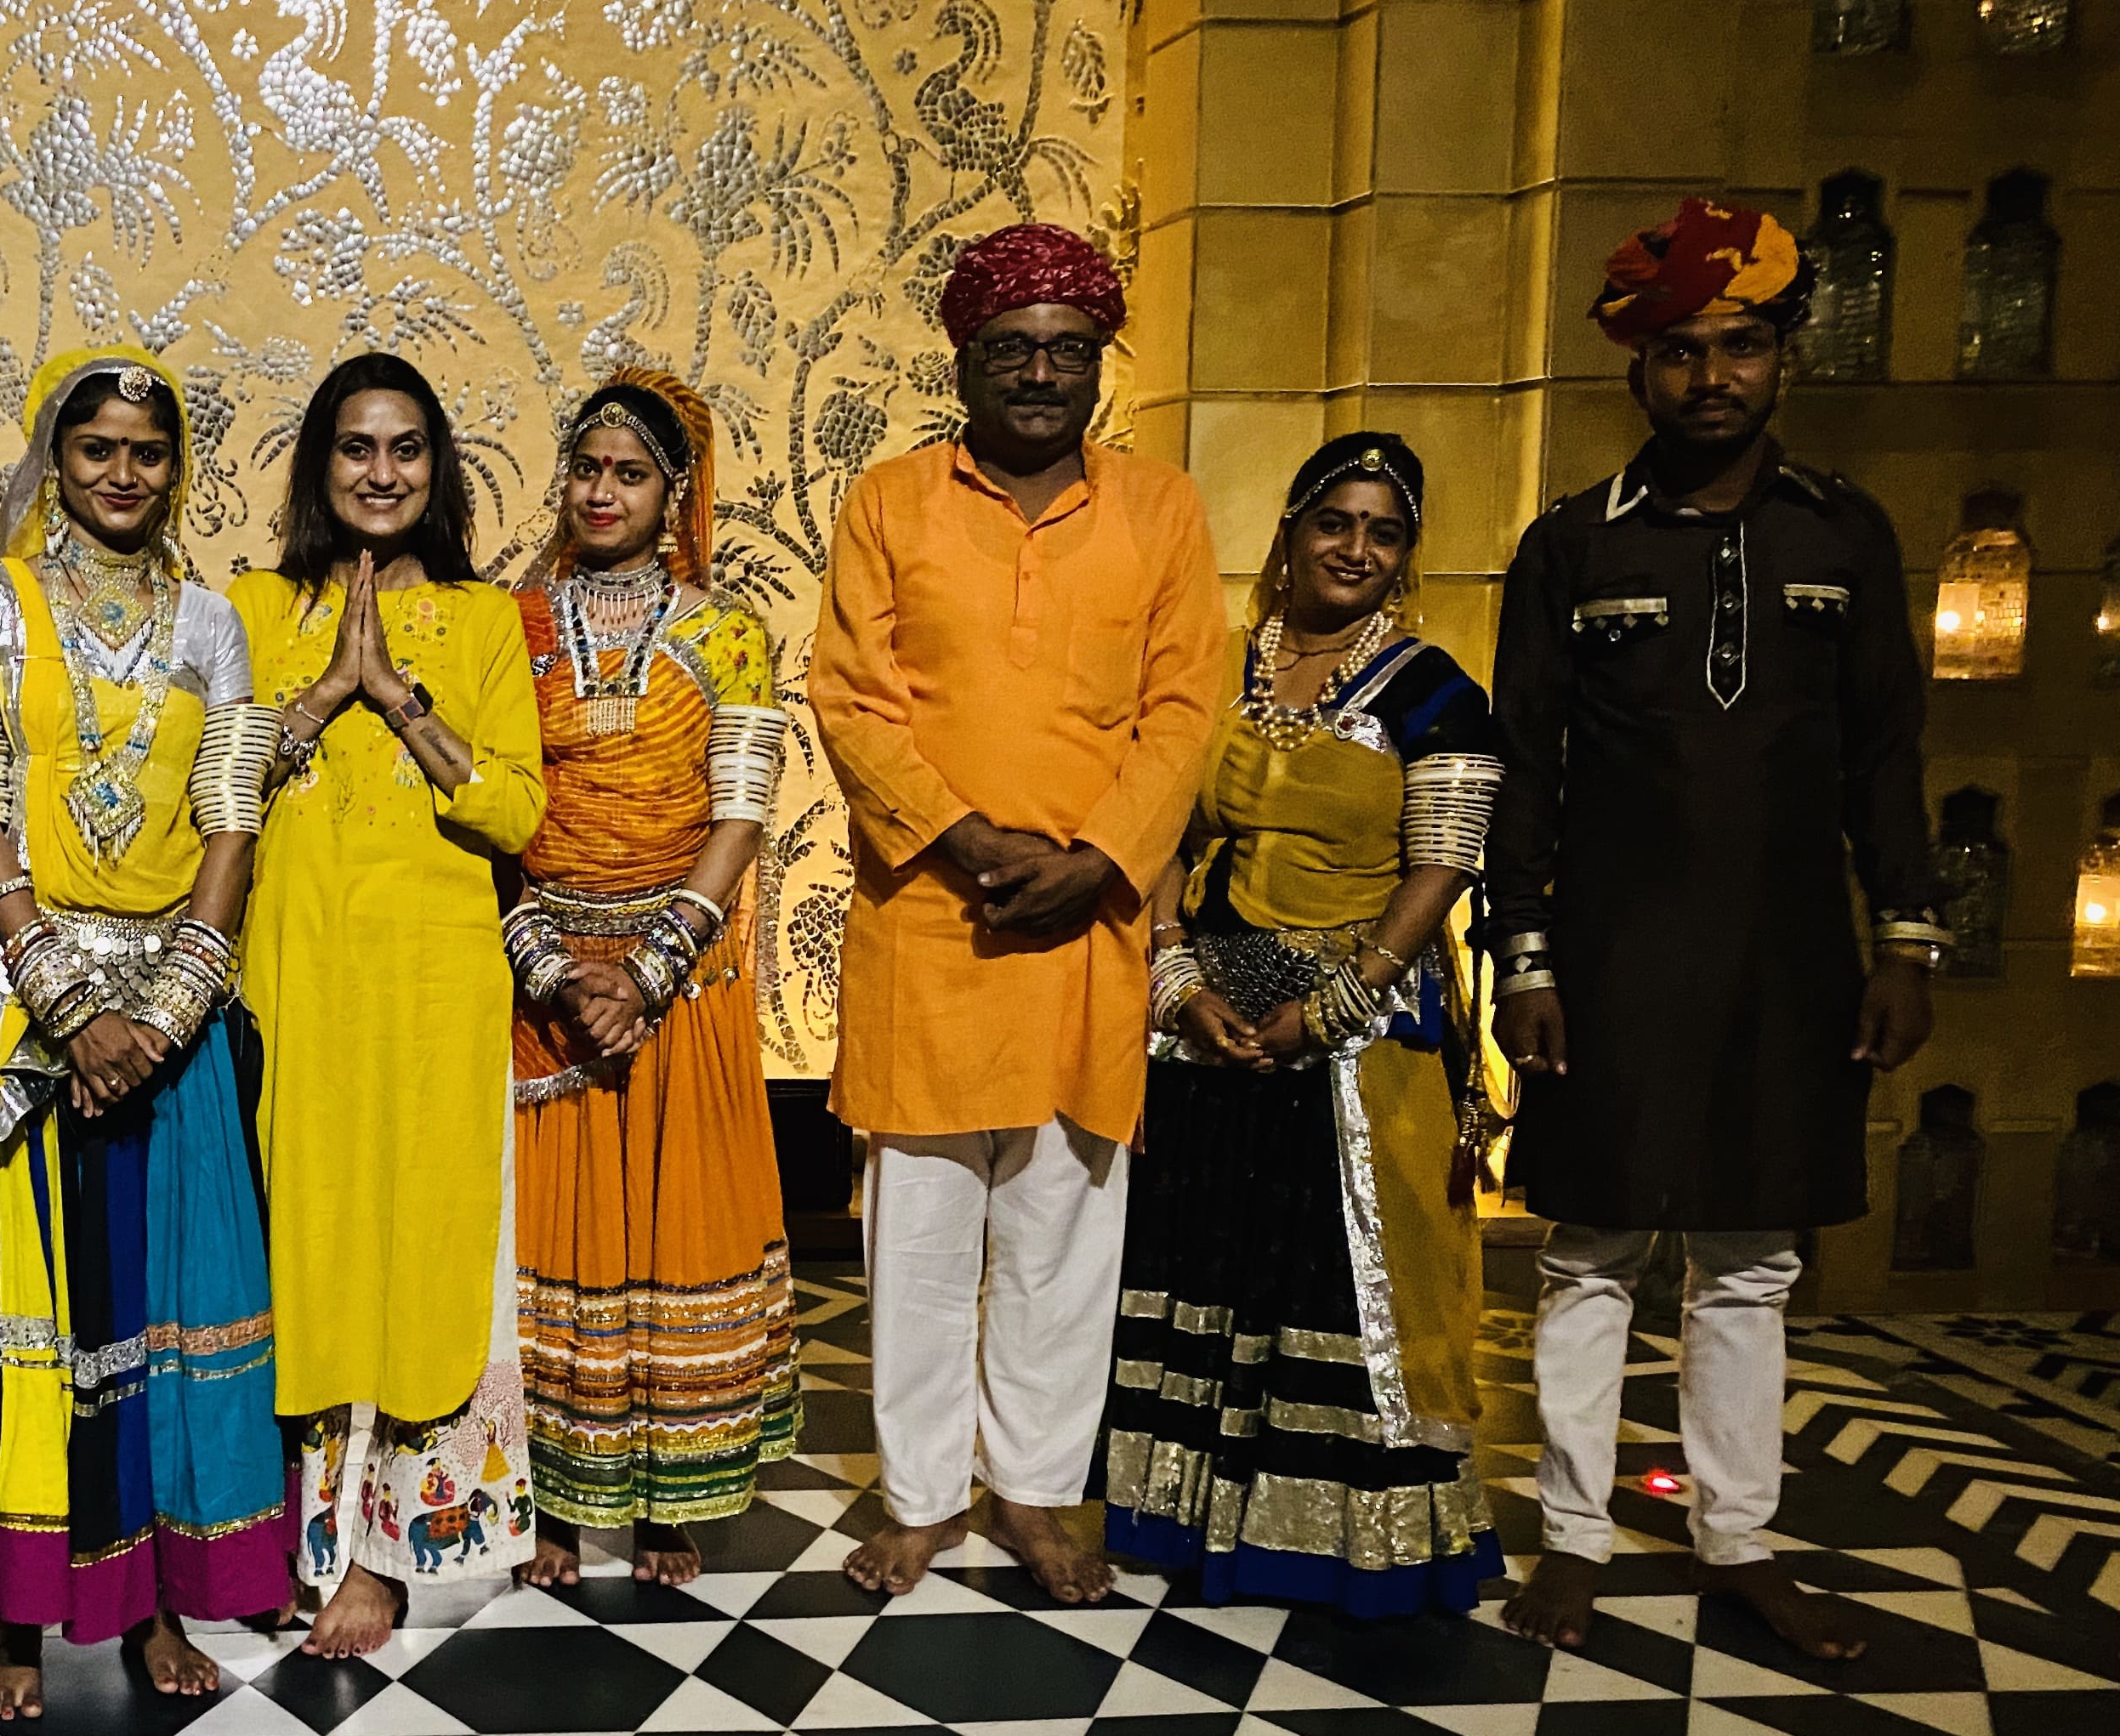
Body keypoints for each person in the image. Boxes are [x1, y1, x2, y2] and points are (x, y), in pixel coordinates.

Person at [1486, 197, 1943, 1661]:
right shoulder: (1570, 547)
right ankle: (1570, 1535)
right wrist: (1527, 954)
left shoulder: (1846, 534)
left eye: (1740, 348)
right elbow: (1524, 765)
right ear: (1639, 371)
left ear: (1786, 359)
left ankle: (1737, 1535)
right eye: (1680, 353)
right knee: (1593, 1244)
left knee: (1752, 1256)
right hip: (1612, 958)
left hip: (1790, 956)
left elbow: (1887, 755)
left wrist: (1906, 940)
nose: (1711, 379)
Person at [812, 220, 1227, 1603]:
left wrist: (1103, 858)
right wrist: (969, 839)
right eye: (1012, 351)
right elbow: (852, 700)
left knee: (1062, 1226)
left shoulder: (1162, 510)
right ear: (965, 361)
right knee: (922, 1233)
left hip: (1087, 927)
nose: (1041, 374)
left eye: (1068, 350)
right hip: (931, 917)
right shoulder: (888, 501)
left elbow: (1184, 708)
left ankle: (1041, 1494)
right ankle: (925, 1496)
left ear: (1102, 362)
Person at [0, 349, 289, 1716]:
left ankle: (156, 1606)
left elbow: (234, 818)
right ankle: (19, 1619)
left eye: (149, 451)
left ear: (180, 468)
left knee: (158, 1310)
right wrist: (65, 997)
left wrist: (171, 1006)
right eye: (98, 446)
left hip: (173, 1008)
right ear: (56, 456)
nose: (124, 473)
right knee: (31, 1317)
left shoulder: (210, 621)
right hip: (27, 1001)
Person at [1103, 432, 1505, 1615]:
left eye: (1384, 532)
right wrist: (1175, 971)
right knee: (1208, 1267)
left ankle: (1337, 1540)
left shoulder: (1436, 691)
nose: (1356, 549)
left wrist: (1337, 1002)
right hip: (1209, 1023)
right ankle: (1185, 1517)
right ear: (1287, 532)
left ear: (1406, 556)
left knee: (1334, 1286)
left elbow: (1443, 865)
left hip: (1353, 1036)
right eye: (1335, 522)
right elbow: (1168, 830)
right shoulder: (1214, 670)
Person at [234, 354, 548, 1653]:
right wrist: (320, 691)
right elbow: (215, 781)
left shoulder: (481, 622)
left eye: (407, 448)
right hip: (297, 980)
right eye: (356, 448)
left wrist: (399, 699)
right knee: (305, 1254)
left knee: (424, 1246)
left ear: (439, 469)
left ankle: (388, 1548)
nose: (381, 472)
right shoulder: (253, 607)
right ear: (318, 467)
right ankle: (291, 1532)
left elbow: (518, 806)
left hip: (433, 988)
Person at [503, 371, 798, 1586]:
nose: (604, 492)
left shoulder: (727, 633)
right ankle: (559, 1513)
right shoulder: (508, 625)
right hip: (544, 978)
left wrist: (653, 966)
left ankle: (668, 1503)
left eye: (631, 474)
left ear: (674, 493)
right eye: (588, 470)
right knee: (552, 1245)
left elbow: (741, 815)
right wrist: (558, 969)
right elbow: (492, 815)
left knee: (675, 1236)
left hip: (683, 979)